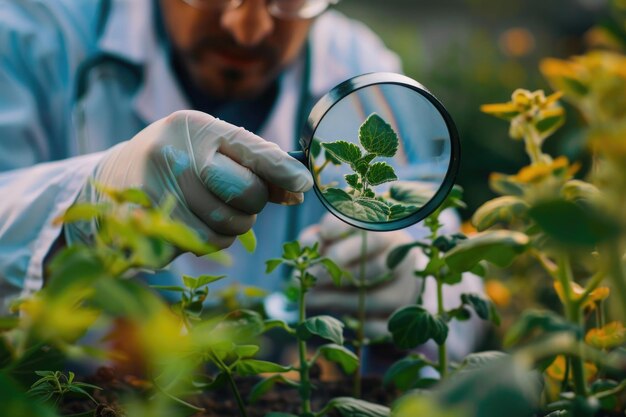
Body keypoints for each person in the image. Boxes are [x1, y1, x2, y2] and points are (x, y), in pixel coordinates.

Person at [0, 0, 484, 358]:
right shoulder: (31, 30)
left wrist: (416, 282)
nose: (248, 30)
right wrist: (85, 206)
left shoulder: (361, 67)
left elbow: (457, 277)